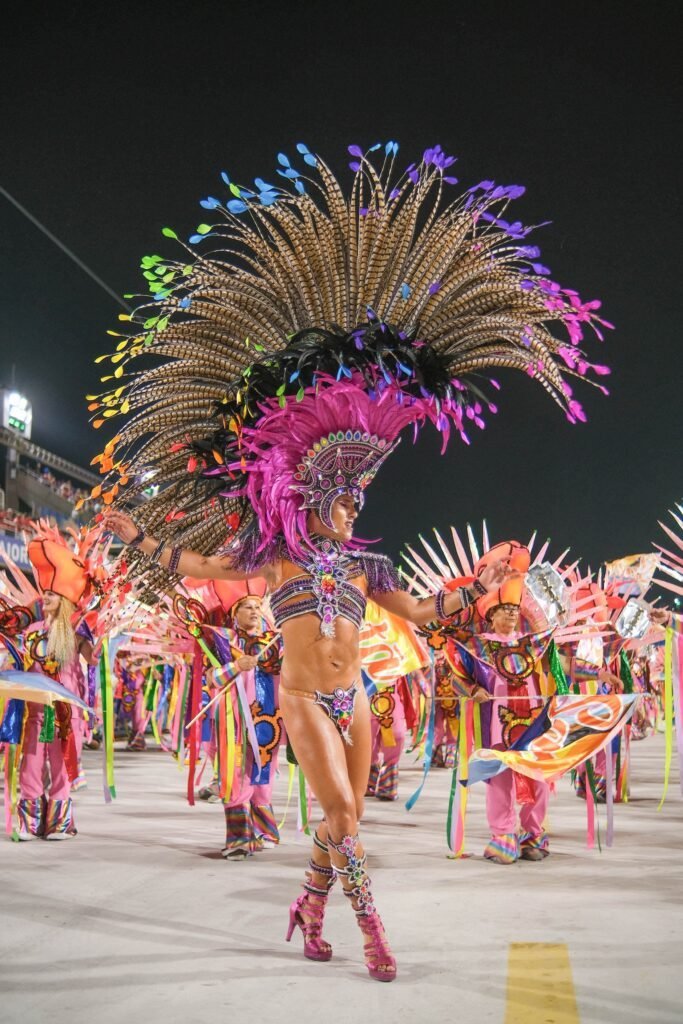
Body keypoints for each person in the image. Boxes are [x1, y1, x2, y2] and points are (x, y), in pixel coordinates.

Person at [94, 142, 608, 978]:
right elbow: (199, 566)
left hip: (356, 697)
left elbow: (424, 618)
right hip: (301, 696)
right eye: (346, 495)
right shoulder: (275, 556)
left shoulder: (366, 570)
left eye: (361, 498)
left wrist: (472, 596)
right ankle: (372, 934)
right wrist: (133, 534)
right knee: (340, 808)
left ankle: (308, 901)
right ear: (320, 489)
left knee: (342, 823)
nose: (357, 506)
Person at [17, 536, 96, 840]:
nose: (46, 596)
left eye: (52, 593)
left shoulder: (76, 630)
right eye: (44, 592)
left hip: (66, 715)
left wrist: (98, 634)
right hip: (37, 714)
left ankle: (60, 822)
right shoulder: (32, 632)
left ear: (64, 599)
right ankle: (30, 822)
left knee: (61, 768)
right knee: (31, 766)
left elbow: (92, 657)